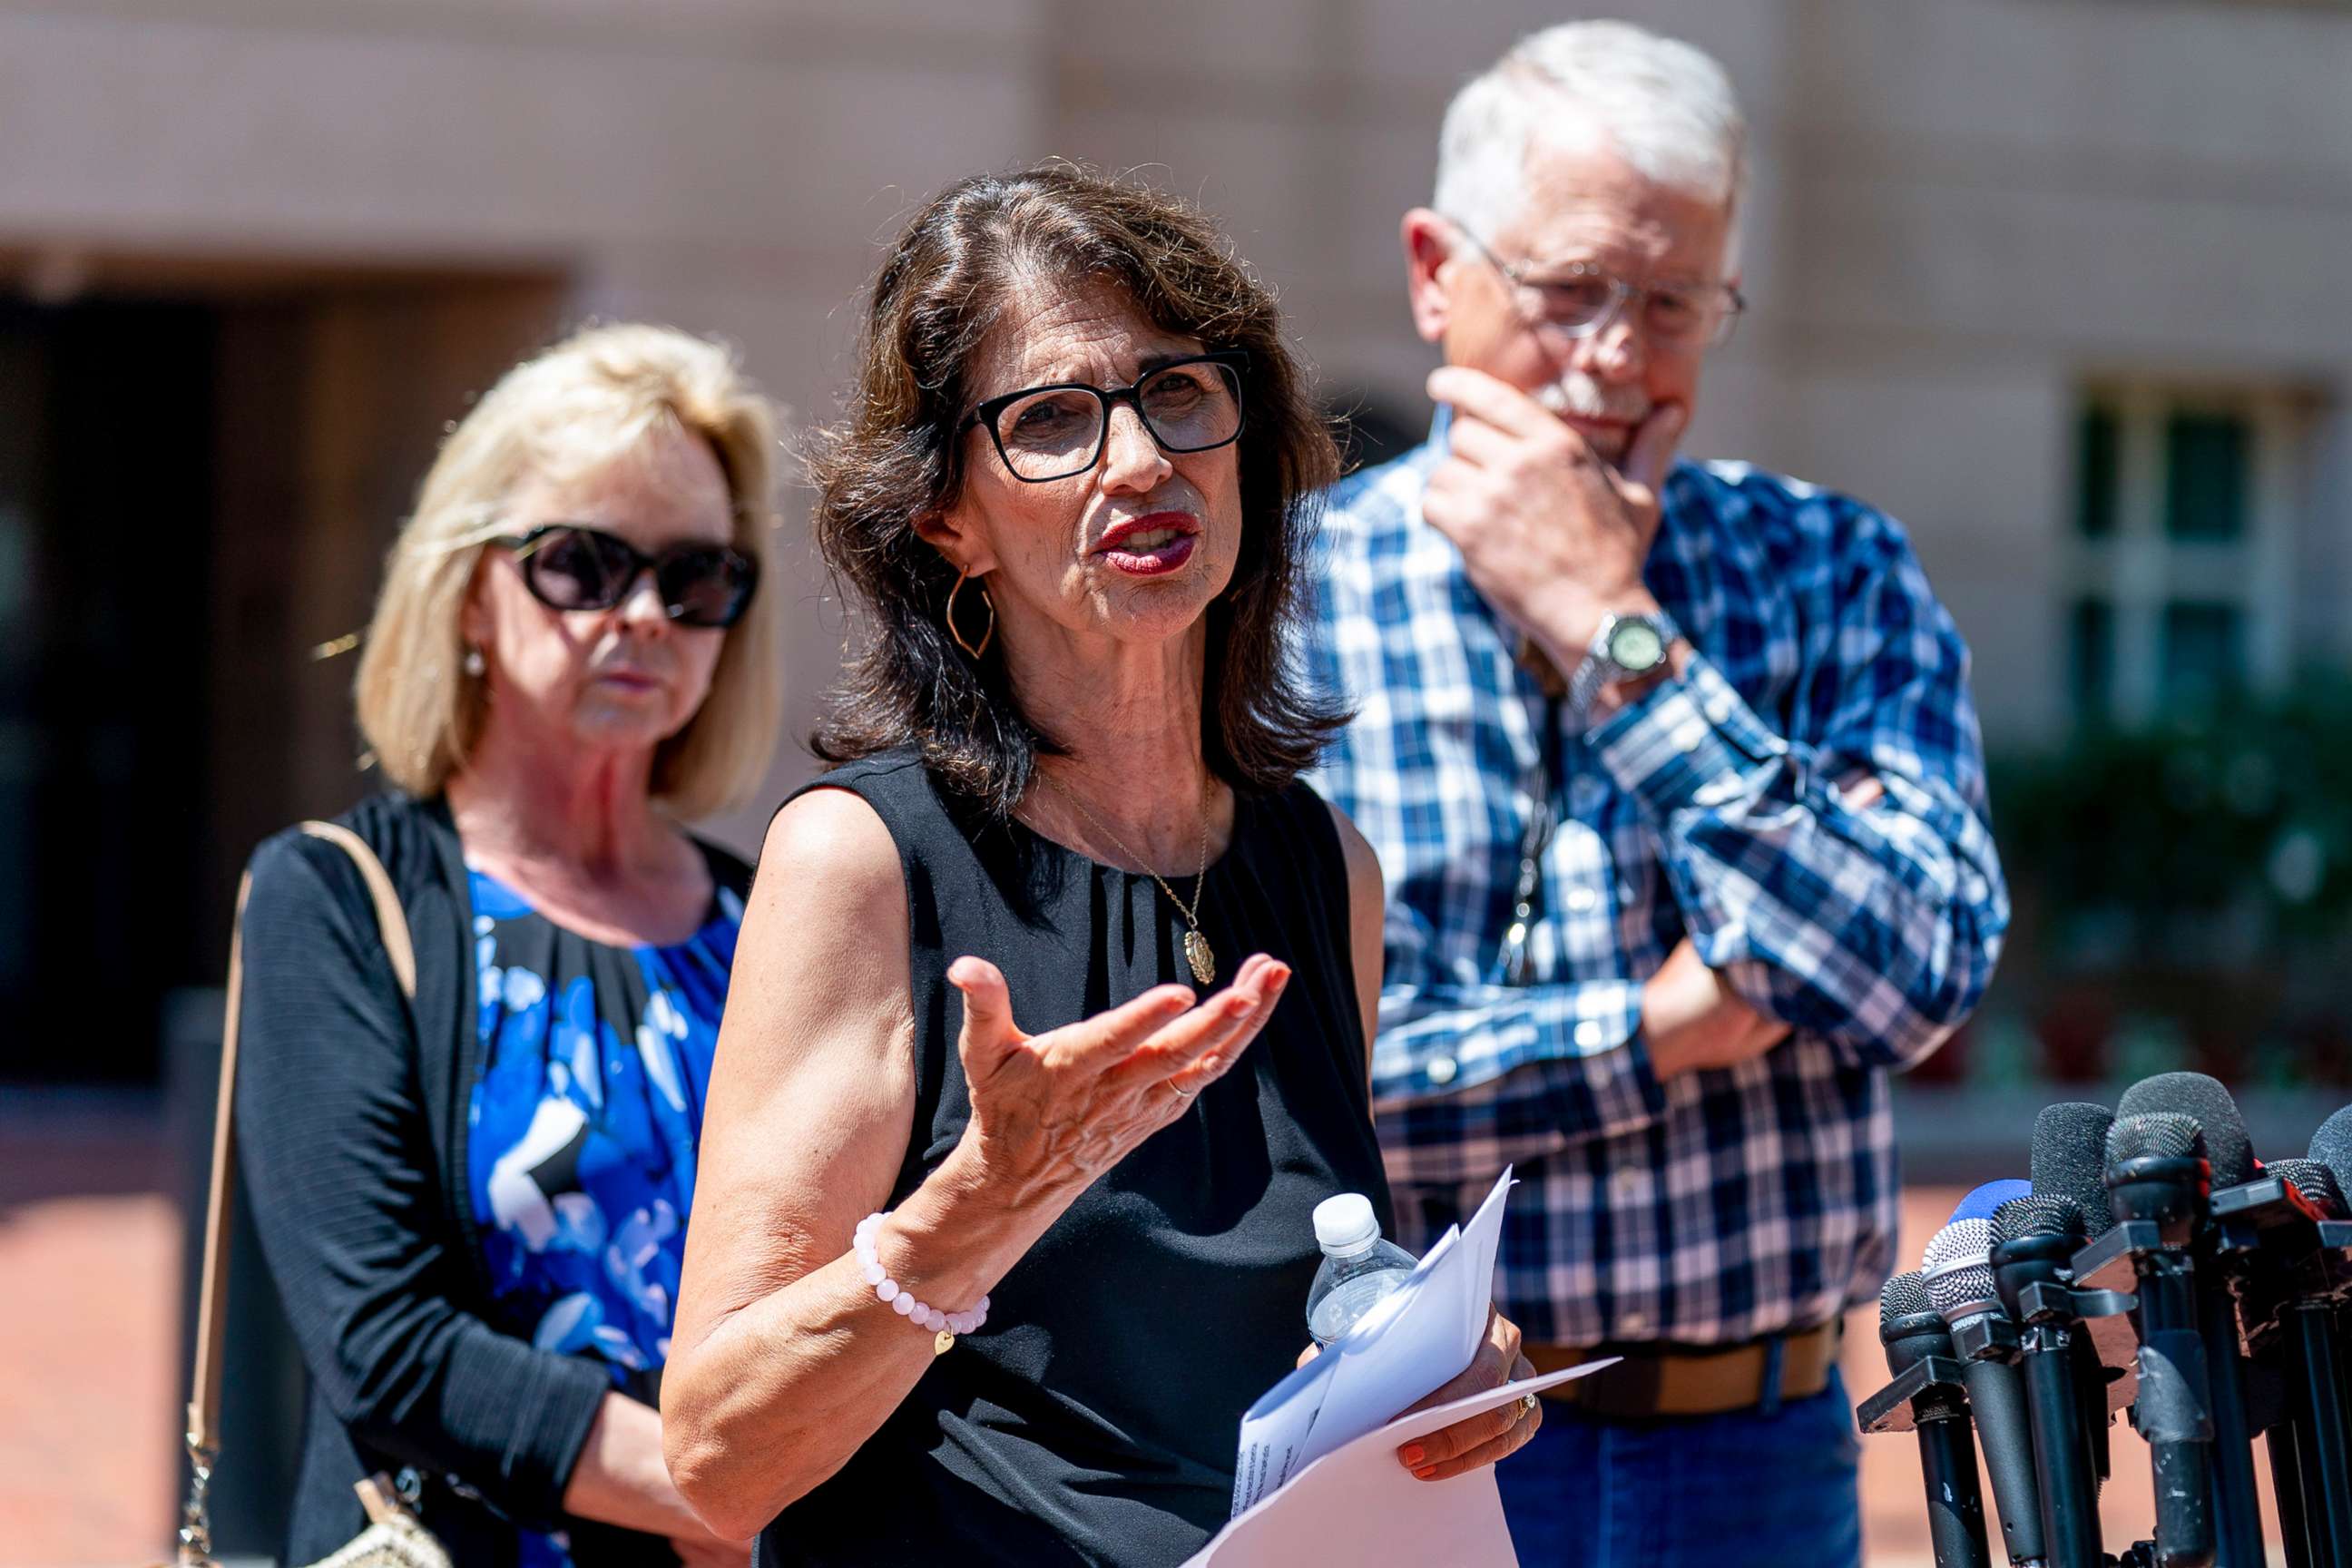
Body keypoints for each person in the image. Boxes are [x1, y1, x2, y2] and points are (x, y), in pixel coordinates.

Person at [662, 166, 1539, 1566]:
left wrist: (1446, 1365)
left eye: (1178, 392)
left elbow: (1274, 1324)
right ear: (946, 512)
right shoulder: (865, 863)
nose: (1141, 460)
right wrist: (979, 1209)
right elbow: (715, 1459)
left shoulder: (1327, 869)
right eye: (1055, 420)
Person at [1301, 22, 2011, 1565]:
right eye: (1571, 293)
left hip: (1761, 1450)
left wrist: (1617, 640)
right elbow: (1294, 1073)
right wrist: (1656, 1033)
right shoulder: (1286, 608)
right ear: (1438, 271)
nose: (1618, 355)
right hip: (1417, 1456)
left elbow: (1917, 971)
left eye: (1674, 299)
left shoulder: (1833, 569)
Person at [232, 323, 784, 1567]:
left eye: (695, 578)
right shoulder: (338, 897)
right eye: (582, 565)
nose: (644, 615)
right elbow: (384, 1341)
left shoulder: (779, 921)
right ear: (472, 589)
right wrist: (731, 1507)